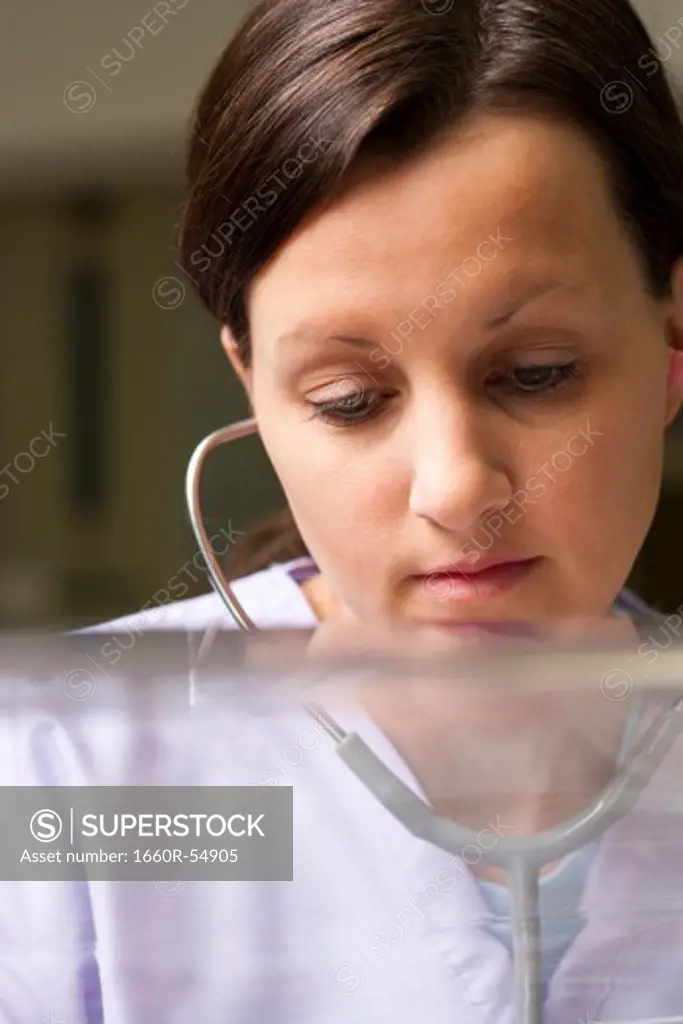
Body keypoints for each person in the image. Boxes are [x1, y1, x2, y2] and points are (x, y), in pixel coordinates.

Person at [5, 0, 683, 1020]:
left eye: (535, 374)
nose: (453, 489)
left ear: (672, 337)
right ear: (252, 384)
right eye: (348, 400)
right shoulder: (70, 776)